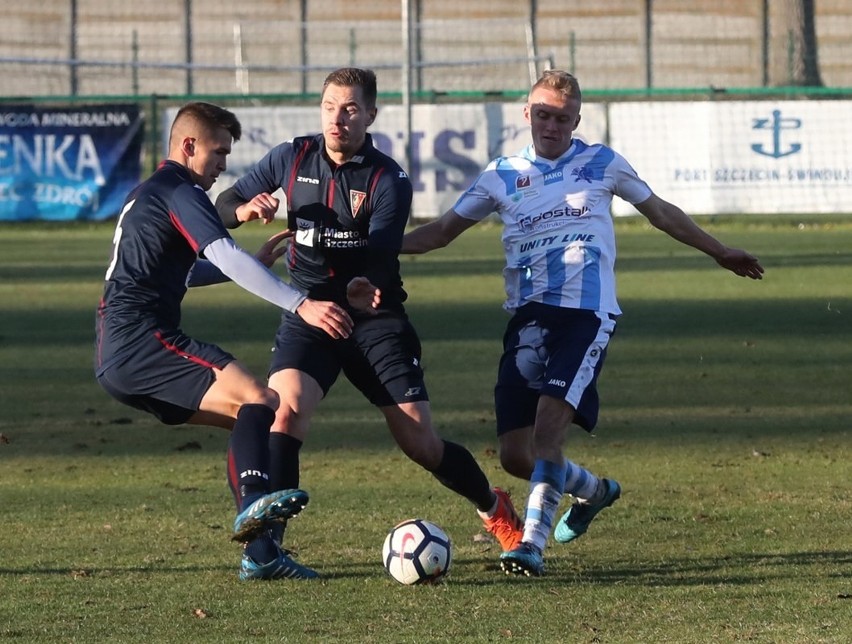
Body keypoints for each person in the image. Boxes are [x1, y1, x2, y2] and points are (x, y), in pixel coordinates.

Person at [401, 70, 765, 577]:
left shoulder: (601, 163)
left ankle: (530, 545)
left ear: (577, 120)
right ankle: (593, 491)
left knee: (549, 435)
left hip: (585, 316)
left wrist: (720, 250)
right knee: (514, 456)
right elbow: (438, 233)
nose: (552, 126)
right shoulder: (500, 175)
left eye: (563, 118)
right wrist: (365, 246)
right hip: (528, 321)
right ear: (527, 113)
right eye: (544, 115)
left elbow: (660, 212)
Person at [215, 67, 523, 578]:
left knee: (421, 444)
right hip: (309, 312)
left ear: (371, 115)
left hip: (374, 317)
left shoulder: (387, 177)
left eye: (351, 108)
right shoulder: (291, 156)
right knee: (283, 412)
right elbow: (223, 204)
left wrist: (362, 283)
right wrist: (246, 208)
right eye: (331, 106)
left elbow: (382, 250)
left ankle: (494, 507)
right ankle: (267, 549)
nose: (339, 118)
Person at [94, 101, 365, 581]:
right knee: (260, 399)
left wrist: (251, 263)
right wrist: (300, 303)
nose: (222, 166)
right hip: (143, 340)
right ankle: (255, 510)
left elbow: (178, 274)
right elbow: (224, 254)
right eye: (218, 153)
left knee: (254, 420)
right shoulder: (181, 191)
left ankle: (260, 558)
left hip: (119, 353)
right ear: (188, 145)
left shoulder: (149, 192)